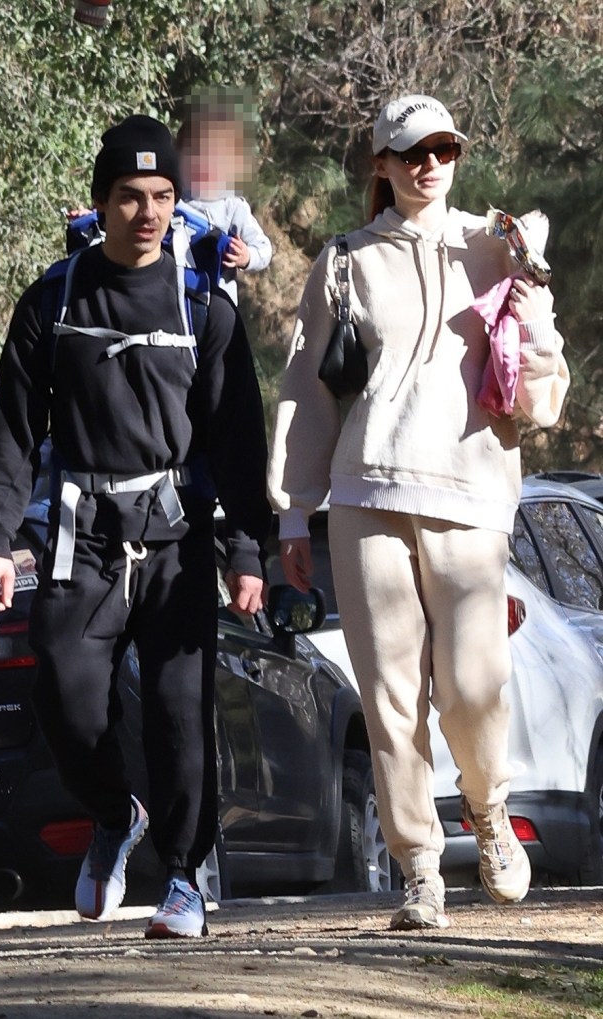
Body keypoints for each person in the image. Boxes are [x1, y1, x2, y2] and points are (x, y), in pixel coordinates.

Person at [267, 94, 570, 931]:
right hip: (366, 495)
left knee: (474, 685)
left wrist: (533, 285)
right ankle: (420, 869)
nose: (429, 163)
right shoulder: (344, 261)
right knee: (391, 696)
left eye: (443, 149)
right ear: (383, 165)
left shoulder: (498, 242)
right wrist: (294, 513)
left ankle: (490, 810)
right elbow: (307, 390)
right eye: (411, 152)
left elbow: (543, 397)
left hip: (472, 494)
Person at [0, 114, 271, 939]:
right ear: (100, 203)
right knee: (66, 700)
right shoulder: (53, 301)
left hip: (174, 534)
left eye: (163, 196)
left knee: (179, 712)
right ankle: (113, 815)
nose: (148, 212)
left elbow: (239, 441)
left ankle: (182, 877)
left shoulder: (205, 308)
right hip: (81, 534)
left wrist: (247, 551)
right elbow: (14, 434)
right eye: (131, 196)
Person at [176, 86, 273, 304]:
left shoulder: (232, 207)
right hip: (176, 302)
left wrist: (247, 256)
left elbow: (264, 249)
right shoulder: (171, 198)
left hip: (218, 306)